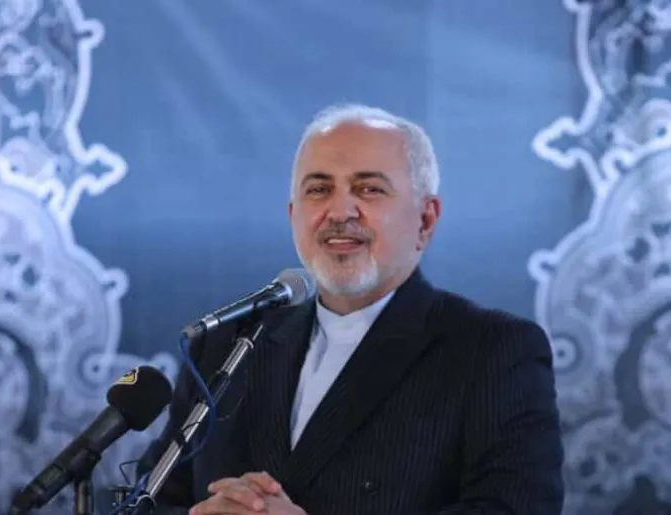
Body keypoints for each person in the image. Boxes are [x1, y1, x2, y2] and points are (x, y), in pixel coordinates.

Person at [137, 104, 565, 514]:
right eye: (319, 190)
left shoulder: (492, 351)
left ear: (425, 220)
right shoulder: (225, 348)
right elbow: (144, 502)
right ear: (293, 215)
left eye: (369, 189)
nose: (339, 211)